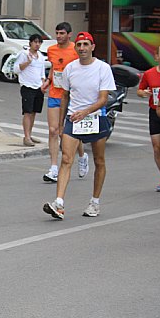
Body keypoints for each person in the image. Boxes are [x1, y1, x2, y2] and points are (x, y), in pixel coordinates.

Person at [43, 32, 116, 220]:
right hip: (73, 119)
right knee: (66, 159)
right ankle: (59, 203)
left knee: (99, 161)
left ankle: (95, 201)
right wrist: (60, 124)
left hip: (95, 118)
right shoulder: (70, 68)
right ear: (76, 48)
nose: (82, 48)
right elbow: (65, 96)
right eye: (79, 45)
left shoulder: (103, 68)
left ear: (92, 47)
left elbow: (103, 99)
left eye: (86, 44)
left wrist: (86, 112)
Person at [43, 22, 89, 183]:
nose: (58, 36)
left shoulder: (75, 50)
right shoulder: (51, 50)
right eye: (57, 33)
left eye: (62, 33)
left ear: (69, 35)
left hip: (70, 97)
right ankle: (53, 168)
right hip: (55, 94)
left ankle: (82, 156)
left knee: (69, 132)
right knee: (53, 130)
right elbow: (55, 69)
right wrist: (48, 82)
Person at [137, 44, 160, 192]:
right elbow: (140, 90)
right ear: (156, 57)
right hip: (155, 111)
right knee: (157, 148)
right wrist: (144, 93)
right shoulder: (149, 74)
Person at [13, 34, 47, 147]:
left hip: (38, 87)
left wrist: (43, 84)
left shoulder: (41, 56)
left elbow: (42, 73)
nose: (37, 44)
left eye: (39, 42)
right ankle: (26, 137)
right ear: (30, 43)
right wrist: (27, 62)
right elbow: (16, 69)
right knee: (27, 112)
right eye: (35, 42)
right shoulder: (24, 54)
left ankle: (30, 134)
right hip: (27, 86)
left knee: (34, 112)